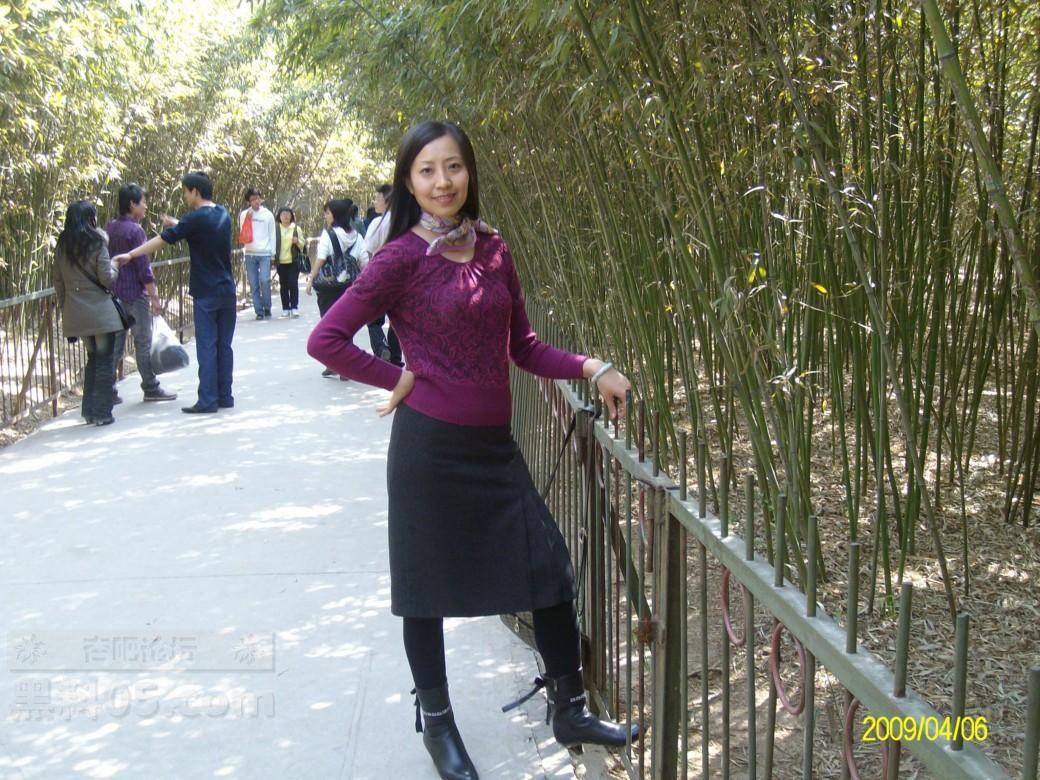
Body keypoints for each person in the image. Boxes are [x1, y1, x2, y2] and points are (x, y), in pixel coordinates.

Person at [307, 121, 636, 780]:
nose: (443, 181)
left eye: (453, 166)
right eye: (427, 170)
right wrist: (398, 377)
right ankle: (438, 724)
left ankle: (569, 709)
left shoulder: (494, 248)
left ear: (469, 172)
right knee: (424, 592)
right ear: (409, 181)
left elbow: (523, 347)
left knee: (548, 568)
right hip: (428, 450)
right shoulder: (400, 258)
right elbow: (327, 338)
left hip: (493, 448)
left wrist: (591, 366)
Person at [112, 171, 236, 414]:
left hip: (206, 292)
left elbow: (162, 240)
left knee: (207, 346)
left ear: (195, 191)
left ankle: (208, 400)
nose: (185, 197)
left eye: (185, 192)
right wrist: (178, 224)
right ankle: (225, 396)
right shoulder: (223, 213)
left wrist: (131, 254)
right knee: (224, 346)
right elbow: (200, 229)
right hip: (227, 290)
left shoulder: (195, 218)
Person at [53, 200, 128, 426]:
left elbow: (59, 283)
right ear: (90, 219)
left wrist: (66, 308)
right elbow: (106, 278)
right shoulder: (97, 243)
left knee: (93, 359)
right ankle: (102, 413)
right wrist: (115, 266)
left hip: (76, 312)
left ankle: (89, 411)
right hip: (101, 314)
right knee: (104, 361)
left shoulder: (62, 247)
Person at [107, 183, 177, 403]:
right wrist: (153, 296)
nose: (146, 206)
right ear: (132, 204)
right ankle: (150, 386)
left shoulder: (110, 227)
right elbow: (143, 267)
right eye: (143, 202)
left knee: (116, 345)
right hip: (135, 294)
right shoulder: (135, 230)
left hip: (114, 295)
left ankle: (107, 389)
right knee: (143, 342)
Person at [305, 198, 364, 378]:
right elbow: (364, 262)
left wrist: (310, 278)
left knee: (329, 325)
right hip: (349, 286)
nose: (325, 216)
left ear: (336, 215)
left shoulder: (328, 234)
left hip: (328, 287)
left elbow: (321, 258)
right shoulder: (357, 236)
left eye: (328, 212)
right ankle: (344, 366)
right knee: (345, 325)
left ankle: (334, 363)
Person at [362, 183, 402, 366]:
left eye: (378, 198)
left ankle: (381, 348)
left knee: (374, 319)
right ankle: (396, 358)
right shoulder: (406, 221)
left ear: (388, 201)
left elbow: (368, 251)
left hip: (381, 274)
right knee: (397, 320)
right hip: (402, 276)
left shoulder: (378, 222)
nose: (375, 202)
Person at [239, 187, 276, 320]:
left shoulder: (268, 215)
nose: (256, 201)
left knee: (265, 280)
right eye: (253, 199)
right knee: (254, 284)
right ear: (248, 201)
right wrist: (248, 218)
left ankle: (267, 306)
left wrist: (273, 253)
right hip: (250, 253)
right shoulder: (244, 214)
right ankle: (259, 311)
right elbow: (243, 234)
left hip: (264, 253)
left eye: (258, 198)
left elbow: (272, 234)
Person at [274, 207, 305, 318]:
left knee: (293, 283)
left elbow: (303, 245)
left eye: (288, 214)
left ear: (291, 216)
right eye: (283, 214)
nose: (286, 216)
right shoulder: (276, 229)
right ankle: (285, 308)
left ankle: (294, 307)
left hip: (293, 261)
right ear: (279, 216)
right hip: (280, 262)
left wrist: (297, 242)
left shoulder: (296, 228)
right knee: (283, 285)